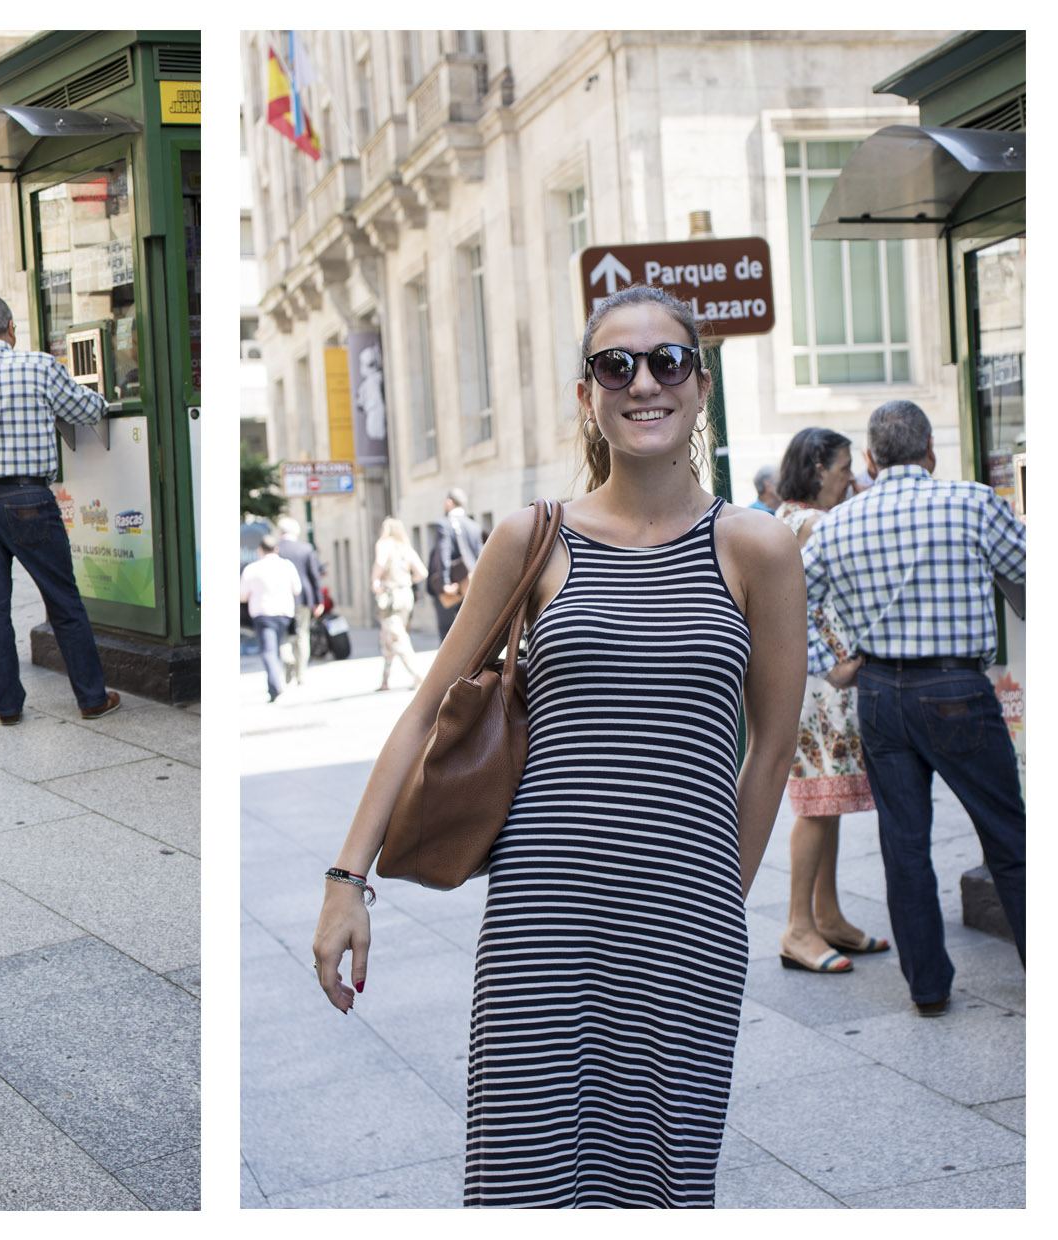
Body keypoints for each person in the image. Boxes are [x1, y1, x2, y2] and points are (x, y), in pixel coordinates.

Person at [312, 284, 806, 1207]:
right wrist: (346, 884)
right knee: (523, 1179)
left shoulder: (757, 548)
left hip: (685, 924)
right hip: (542, 915)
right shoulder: (532, 539)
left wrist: (715, 898)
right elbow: (424, 713)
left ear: (699, 386)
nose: (642, 382)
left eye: (666, 361)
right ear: (587, 395)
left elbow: (771, 752)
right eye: (615, 365)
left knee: (661, 1184)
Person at [801, 399, 1025, 1018]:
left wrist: (831, 663)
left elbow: (789, 599)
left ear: (871, 460)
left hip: (877, 693)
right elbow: (1030, 569)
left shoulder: (839, 524)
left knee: (904, 845)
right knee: (1008, 837)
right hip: (956, 689)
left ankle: (928, 989)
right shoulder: (972, 502)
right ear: (930, 451)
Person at [0, 295, 120, 726]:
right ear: (11, 328)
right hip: (29, 500)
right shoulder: (38, 366)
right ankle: (91, 697)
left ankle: (8, 707)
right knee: (63, 601)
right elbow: (86, 409)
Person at [771, 428, 885, 975]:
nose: (851, 476)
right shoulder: (815, 523)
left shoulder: (786, 518)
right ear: (818, 468)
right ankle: (798, 927)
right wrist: (837, 661)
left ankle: (828, 915)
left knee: (826, 800)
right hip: (821, 685)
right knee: (817, 805)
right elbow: (803, 608)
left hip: (812, 682)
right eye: (843, 467)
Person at [240, 532, 303, 703]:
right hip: (284, 613)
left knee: (268, 650)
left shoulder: (252, 568)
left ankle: (275, 686)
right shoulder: (287, 566)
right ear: (276, 549)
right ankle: (284, 664)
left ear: (260, 550)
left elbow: (242, 596)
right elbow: (297, 589)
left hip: (263, 614)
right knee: (277, 645)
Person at [370, 517, 427, 692]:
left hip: (391, 596)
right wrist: (408, 580)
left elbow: (379, 565)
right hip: (406, 595)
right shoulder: (405, 547)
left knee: (396, 636)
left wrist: (375, 581)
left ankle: (419, 675)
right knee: (388, 637)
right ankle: (385, 680)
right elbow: (422, 572)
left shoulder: (384, 544)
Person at [427, 488, 484, 640]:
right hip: (469, 585)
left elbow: (443, 555)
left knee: (446, 633)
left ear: (449, 502)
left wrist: (445, 583)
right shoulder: (474, 526)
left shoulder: (443, 525)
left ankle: (448, 664)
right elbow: (480, 556)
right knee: (468, 631)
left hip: (451, 586)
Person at [274, 515, 323, 686]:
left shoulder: (275, 549)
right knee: (303, 634)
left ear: (280, 531)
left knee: (285, 635)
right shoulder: (305, 548)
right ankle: (301, 673)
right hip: (303, 598)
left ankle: (288, 658)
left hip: (280, 599)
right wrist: (319, 601)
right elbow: (314, 576)